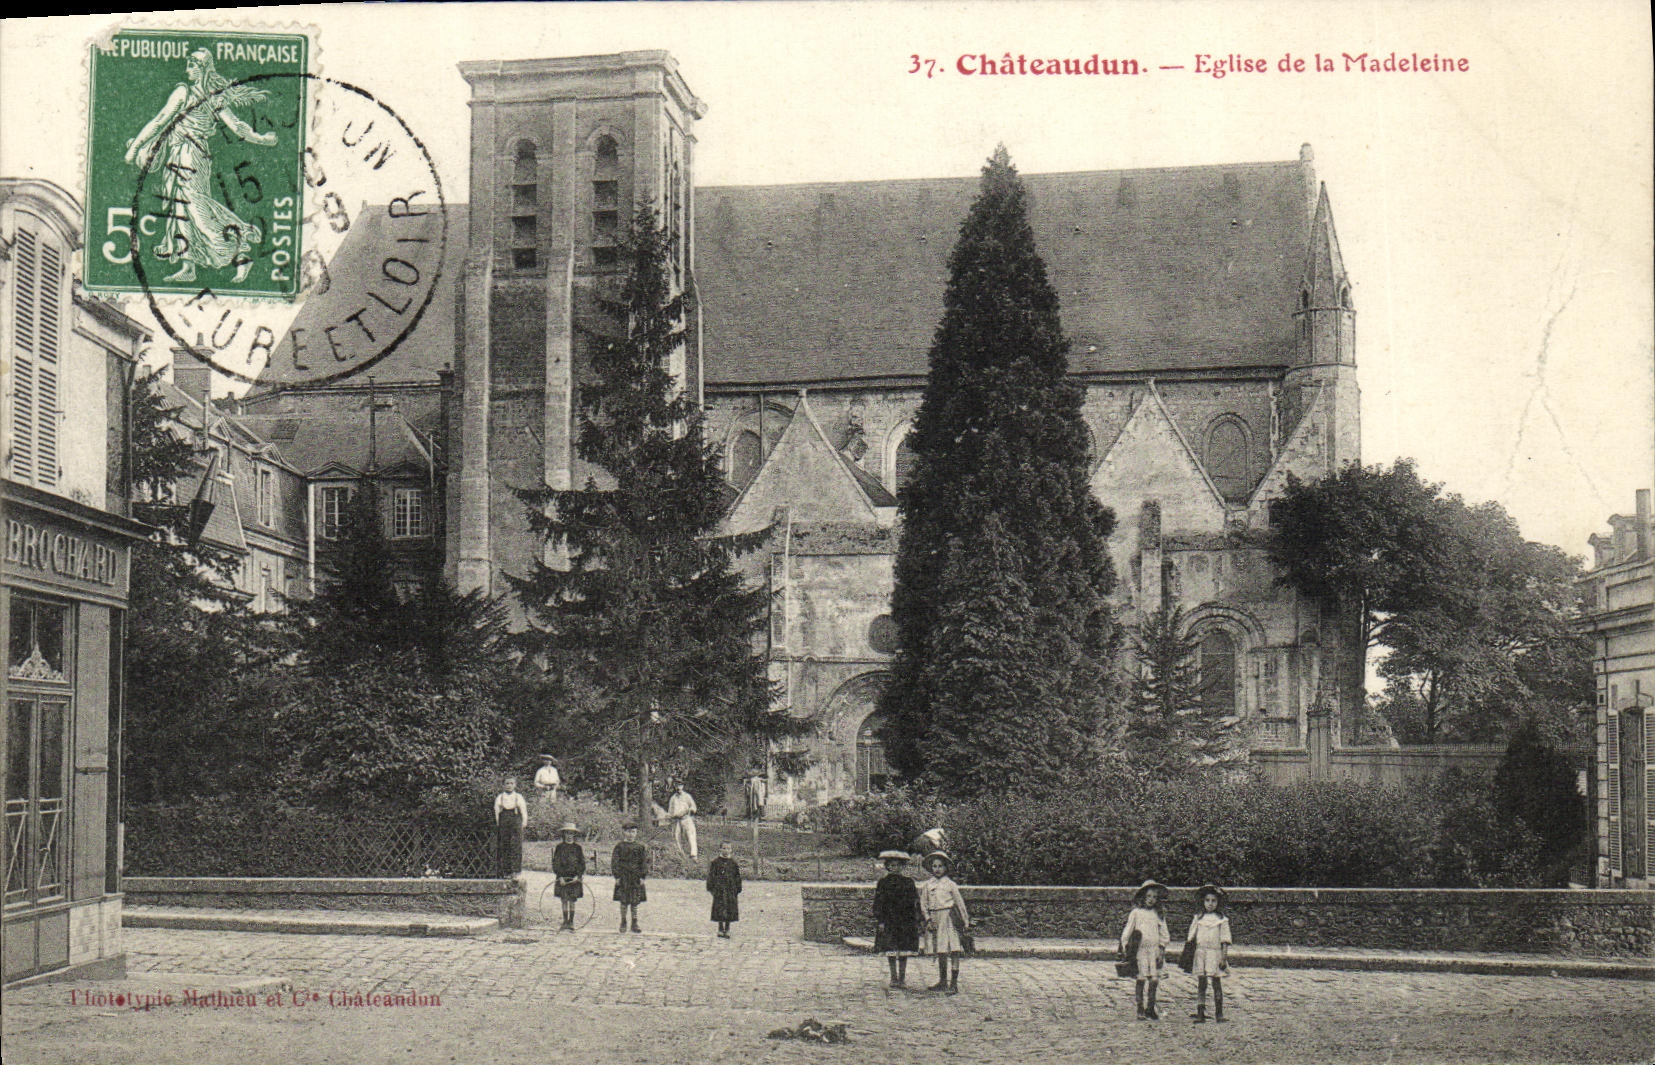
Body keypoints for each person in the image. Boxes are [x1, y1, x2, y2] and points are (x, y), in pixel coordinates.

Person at [123, 49, 278, 284]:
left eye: (192, 65)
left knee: (196, 210)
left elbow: (161, 121)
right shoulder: (204, 95)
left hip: (190, 156)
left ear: (201, 68)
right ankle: (189, 266)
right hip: (181, 155)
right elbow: (161, 121)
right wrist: (262, 138)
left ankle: (240, 248)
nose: (187, 70)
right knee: (181, 211)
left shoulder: (193, 94)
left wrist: (135, 148)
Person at [918, 851, 970, 994]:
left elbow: (960, 904)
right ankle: (942, 981)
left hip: (949, 918)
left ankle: (953, 984)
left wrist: (965, 921)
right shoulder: (928, 885)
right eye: (934, 866)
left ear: (946, 868)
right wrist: (928, 919)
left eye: (940, 866)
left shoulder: (950, 884)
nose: (937, 869)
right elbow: (923, 904)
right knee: (940, 951)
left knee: (953, 949)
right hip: (935, 919)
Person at [1120, 879, 1171, 1020]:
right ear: (1143, 896)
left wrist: (1162, 950)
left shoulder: (1158, 914)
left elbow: (1164, 934)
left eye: (1154, 897)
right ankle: (1140, 1007)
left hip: (1154, 951)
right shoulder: (1136, 913)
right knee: (1141, 978)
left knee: (1154, 980)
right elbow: (1128, 931)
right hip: (1140, 951)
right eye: (1148, 896)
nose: (1151, 900)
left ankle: (1150, 1007)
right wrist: (1126, 947)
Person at [872, 850, 922, 989]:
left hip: (905, 921)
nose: (895, 868)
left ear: (902, 866)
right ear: (888, 866)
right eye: (892, 865)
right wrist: (880, 920)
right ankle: (893, 977)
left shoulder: (908, 882)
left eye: (898, 865)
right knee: (891, 949)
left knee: (904, 949)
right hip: (890, 920)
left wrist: (916, 919)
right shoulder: (883, 883)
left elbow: (914, 902)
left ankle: (902, 977)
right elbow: (879, 902)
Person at [1185, 884, 1232, 1023]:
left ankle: (1219, 1013)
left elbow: (1225, 940)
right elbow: (1191, 937)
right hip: (1201, 953)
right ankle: (1200, 1012)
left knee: (1216, 982)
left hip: (1215, 953)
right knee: (1202, 982)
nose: (1210, 904)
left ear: (1218, 902)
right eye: (1207, 900)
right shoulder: (1198, 918)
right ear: (1203, 901)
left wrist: (1223, 957)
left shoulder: (1222, 920)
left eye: (1213, 901)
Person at [611, 822, 649, 933]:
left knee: (635, 901)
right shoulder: (619, 846)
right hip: (623, 877)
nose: (630, 834)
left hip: (635, 877)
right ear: (623, 832)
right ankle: (623, 922)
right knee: (623, 901)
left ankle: (635, 922)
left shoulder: (640, 847)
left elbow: (644, 863)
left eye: (633, 832)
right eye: (628, 831)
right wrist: (617, 876)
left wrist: (642, 876)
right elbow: (615, 862)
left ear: (636, 833)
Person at [550, 821, 586, 931]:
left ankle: (571, 922)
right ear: (564, 834)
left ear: (574, 835)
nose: (569, 836)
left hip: (574, 878)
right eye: (567, 833)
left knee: (572, 900)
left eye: (571, 833)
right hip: (562, 878)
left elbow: (582, 864)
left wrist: (578, 876)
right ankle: (565, 921)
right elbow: (556, 863)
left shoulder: (578, 848)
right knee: (564, 899)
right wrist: (560, 877)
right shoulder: (559, 848)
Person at [493, 776, 528, 878]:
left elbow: (523, 811)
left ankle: (516, 870)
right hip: (504, 819)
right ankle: (506, 871)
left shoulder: (519, 797)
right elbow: (496, 811)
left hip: (515, 819)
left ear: (515, 785)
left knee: (516, 845)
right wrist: (498, 823)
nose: (509, 785)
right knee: (505, 844)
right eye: (507, 783)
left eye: (511, 783)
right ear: (503, 785)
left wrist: (524, 822)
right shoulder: (500, 797)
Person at [706, 841, 743, 938]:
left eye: (728, 848)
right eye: (724, 848)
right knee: (719, 908)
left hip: (730, 890)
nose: (726, 850)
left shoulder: (733, 864)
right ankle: (720, 928)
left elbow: (737, 877)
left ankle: (727, 929)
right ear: (720, 849)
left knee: (729, 909)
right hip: (719, 890)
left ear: (731, 850)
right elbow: (711, 876)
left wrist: (737, 889)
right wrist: (711, 888)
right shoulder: (715, 863)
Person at [667, 782, 698, 859]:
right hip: (676, 820)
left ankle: (693, 854)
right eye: (677, 785)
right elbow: (670, 811)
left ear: (682, 786)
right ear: (674, 786)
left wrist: (689, 811)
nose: (678, 787)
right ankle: (680, 854)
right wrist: (671, 818)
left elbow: (693, 807)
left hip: (686, 819)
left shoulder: (687, 796)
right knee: (677, 836)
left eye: (680, 785)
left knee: (690, 836)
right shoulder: (673, 798)